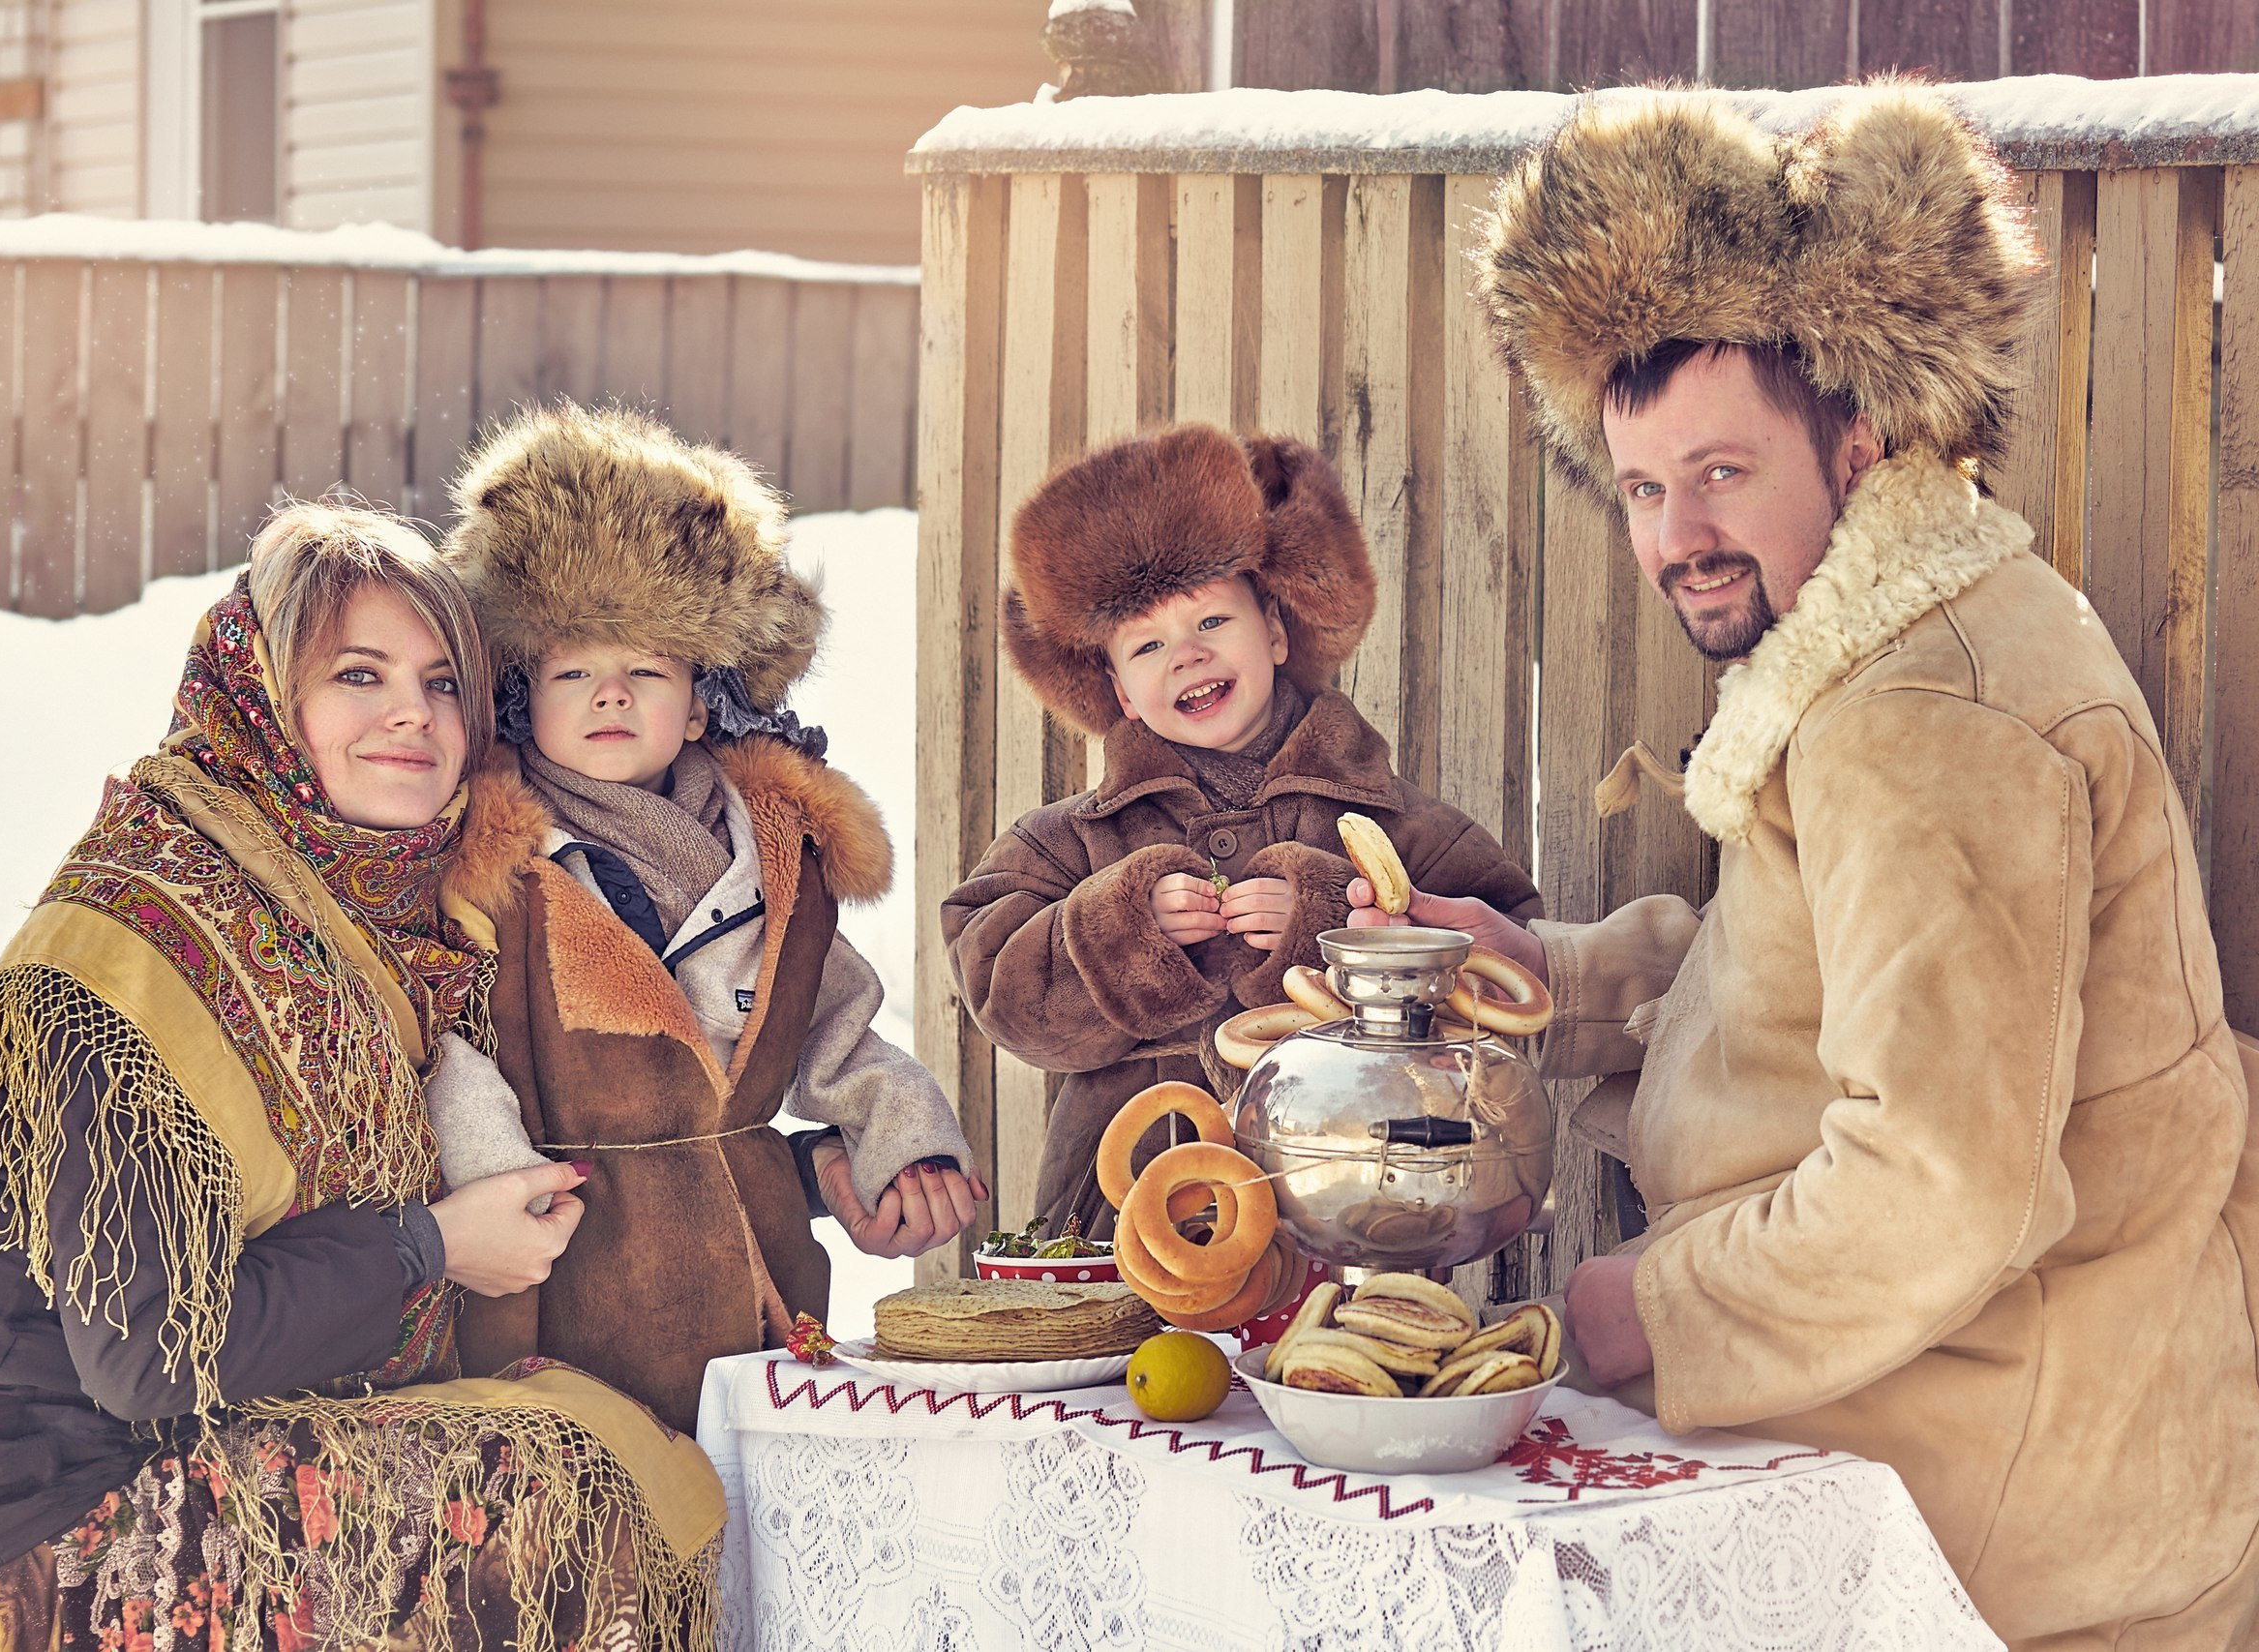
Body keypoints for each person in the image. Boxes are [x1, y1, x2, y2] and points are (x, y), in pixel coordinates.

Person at [1340, 87, 2259, 1647]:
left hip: (2005, 1546)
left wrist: (1644, 1307)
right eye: (1641, 486)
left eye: (1721, 472)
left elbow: (1939, 1183)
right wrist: (1545, 974)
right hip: (1958, 1482)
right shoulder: (1891, 642)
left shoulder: (1926, 715)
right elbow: (1817, 983)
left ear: (1861, 434)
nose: (1675, 534)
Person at [0, 502, 725, 1652]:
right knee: (544, 1494)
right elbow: (152, 1355)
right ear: (258, 700)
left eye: (445, 681)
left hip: (144, 1448)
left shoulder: (387, 926)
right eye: (359, 673)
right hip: (8, 1507)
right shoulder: (137, 944)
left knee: (599, 1428)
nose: (413, 713)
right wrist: (428, 1247)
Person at [436, 404, 983, 1434]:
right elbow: (452, 1045)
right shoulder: (497, 860)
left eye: (645, 669)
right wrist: (500, 1177)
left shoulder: (772, 853)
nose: (610, 693)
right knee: (601, 1521)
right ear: (523, 701)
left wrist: (894, 1136)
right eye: (572, 671)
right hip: (570, 1272)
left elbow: (837, 1028)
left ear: (697, 703)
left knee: (749, 1516)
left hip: (751, 1270)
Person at [942, 423, 1542, 1231]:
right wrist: (1120, 927)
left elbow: (1509, 982)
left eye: (1212, 622)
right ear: (1120, 692)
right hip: (1126, 1216)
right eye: (1148, 645)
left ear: (1276, 631)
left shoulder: (1396, 823)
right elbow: (994, 978)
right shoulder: (1067, 841)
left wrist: (1334, 927)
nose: (1185, 655)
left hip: (1346, 1206)